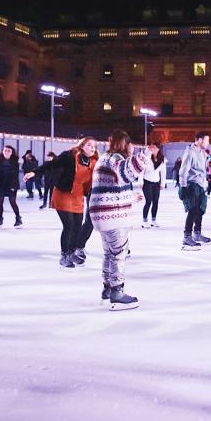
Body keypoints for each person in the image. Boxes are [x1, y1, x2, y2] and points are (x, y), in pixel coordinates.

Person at [89, 130, 157, 310]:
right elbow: (127, 171)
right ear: (124, 144)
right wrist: (146, 154)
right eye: (131, 144)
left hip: (102, 214)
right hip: (113, 216)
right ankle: (117, 292)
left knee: (109, 253)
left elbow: (114, 184)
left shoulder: (105, 158)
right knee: (119, 253)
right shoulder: (115, 159)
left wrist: (131, 196)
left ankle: (107, 289)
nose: (133, 147)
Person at [25, 137, 98, 270]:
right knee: (69, 225)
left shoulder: (94, 162)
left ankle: (72, 252)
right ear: (82, 146)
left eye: (94, 146)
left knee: (77, 227)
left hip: (78, 197)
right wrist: (35, 172)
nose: (92, 148)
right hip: (63, 194)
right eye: (89, 145)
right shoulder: (70, 156)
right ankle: (65, 256)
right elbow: (51, 164)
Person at [178, 133, 211, 249]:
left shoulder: (202, 152)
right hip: (192, 185)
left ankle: (197, 233)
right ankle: (187, 236)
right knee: (193, 210)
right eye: (206, 141)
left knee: (201, 209)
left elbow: (202, 170)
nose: (208, 143)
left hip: (201, 185)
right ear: (200, 140)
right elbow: (183, 171)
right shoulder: (190, 152)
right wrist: (183, 187)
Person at [0, 145, 22, 228]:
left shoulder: (15, 161)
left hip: (11, 184)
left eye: (8, 151)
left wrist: (13, 186)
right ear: (2, 151)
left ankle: (18, 218)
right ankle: (0, 219)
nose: (6, 152)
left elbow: (15, 175)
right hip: (0, 184)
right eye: (5, 150)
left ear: (11, 153)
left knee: (12, 202)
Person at [141, 142, 167, 228]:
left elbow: (163, 172)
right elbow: (142, 169)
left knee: (155, 202)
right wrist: (140, 182)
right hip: (147, 182)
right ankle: (144, 221)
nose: (153, 149)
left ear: (158, 149)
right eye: (152, 148)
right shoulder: (147, 157)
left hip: (156, 183)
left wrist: (162, 183)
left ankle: (154, 220)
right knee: (148, 201)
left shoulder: (162, 159)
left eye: (155, 148)